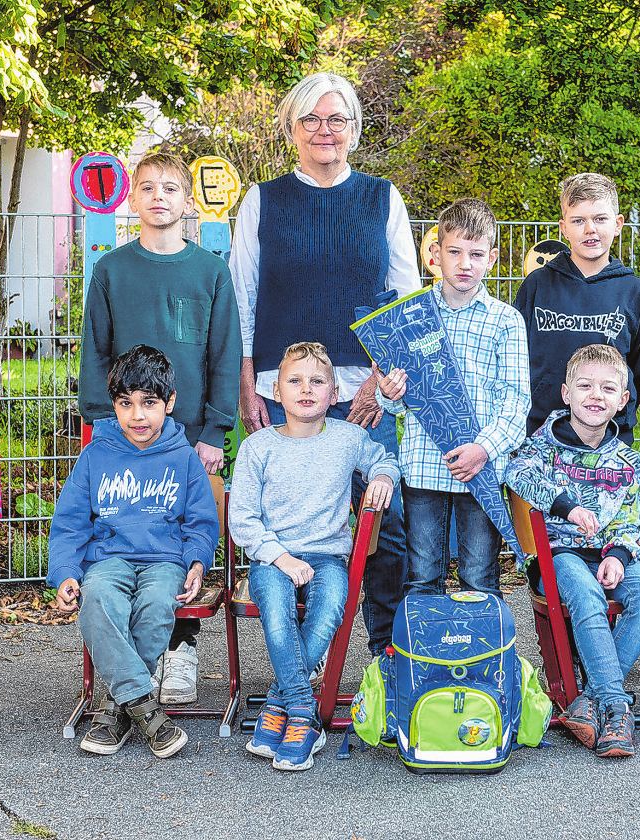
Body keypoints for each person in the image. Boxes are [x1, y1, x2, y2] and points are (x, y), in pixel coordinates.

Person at [230, 72, 418, 660]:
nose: (324, 130)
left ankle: (387, 660)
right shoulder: (262, 200)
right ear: (291, 129)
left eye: (336, 119)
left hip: (365, 389)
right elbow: (243, 294)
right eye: (310, 119)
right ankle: (302, 663)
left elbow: (406, 300)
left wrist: (379, 385)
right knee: (288, 526)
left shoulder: (384, 198)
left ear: (355, 130)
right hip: (280, 389)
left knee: (382, 529)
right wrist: (245, 382)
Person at [78, 152, 240, 705]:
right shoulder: (112, 270)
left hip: (189, 435)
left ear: (187, 200)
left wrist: (216, 430)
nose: (159, 197)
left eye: (171, 187)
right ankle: (130, 662)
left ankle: (182, 648)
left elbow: (224, 353)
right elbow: (95, 348)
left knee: (182, 536)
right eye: (147, 187)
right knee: (129, 534)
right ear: (132, 198)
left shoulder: (210, 271)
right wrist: (102, 423)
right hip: (126, 432)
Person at [229, 342, 400, 771]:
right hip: (273, 556)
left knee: (328, 610)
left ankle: (278, 701)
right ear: (275, 389)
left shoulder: (349, 438)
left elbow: (386, 459)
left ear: (335, 392)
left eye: (317, 381)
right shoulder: (258, 447)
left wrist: (382, 476)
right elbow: (243, 520)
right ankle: (304, 714)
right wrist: (280, 559)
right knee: (276, 609)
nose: (306, 389)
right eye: (295, 380)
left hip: (327, 558)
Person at [49, 345, 219, 759]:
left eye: (149, 403)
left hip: (165, 561)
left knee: (158, 603)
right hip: (108, 559)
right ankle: (143, 706)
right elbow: (70, 522)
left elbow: (201, 523)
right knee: (99, 598)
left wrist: (197, 563)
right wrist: (66, 572)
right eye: (126, 404)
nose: (137, 416)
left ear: (170, 403)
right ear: (114, 405)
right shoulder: (95, 455)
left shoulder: (183, 458)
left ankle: (115, 706)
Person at [505, 344, 640, 758]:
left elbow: (630, 521)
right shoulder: (542, 446)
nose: (596, 395)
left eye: (608, 388)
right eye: (586, 386)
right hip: (556, 554)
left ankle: (591, 699)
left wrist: (619, 555)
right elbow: (515, 473)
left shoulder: (627, 460)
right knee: (588, 595)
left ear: (623, 400)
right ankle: (615, 706)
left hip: (606, 554)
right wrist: (568, 507)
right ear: (566, 393)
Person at [374, 198, 530, 596]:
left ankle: (481, 659)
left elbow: (516, 404)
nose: (465, 263)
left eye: (476, 254)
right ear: (435, 254)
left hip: (482, 470)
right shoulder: (409, 317)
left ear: (492, 258)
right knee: (423, 576)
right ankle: (426, 658)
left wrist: (483, 449)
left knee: (479, 577)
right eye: (455, 251)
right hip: (424, 466)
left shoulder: (506, 320)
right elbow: (396, 400)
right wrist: (387, 393)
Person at [512, 172, 640, 443]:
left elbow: (639, 371)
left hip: (607, 440)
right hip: (540, 438)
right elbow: (515, 360)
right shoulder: (537, 285)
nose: (590, 229)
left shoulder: (635, 292)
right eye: (579, 220)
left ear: (617, 224)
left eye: (600, 219)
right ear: (563, 228)